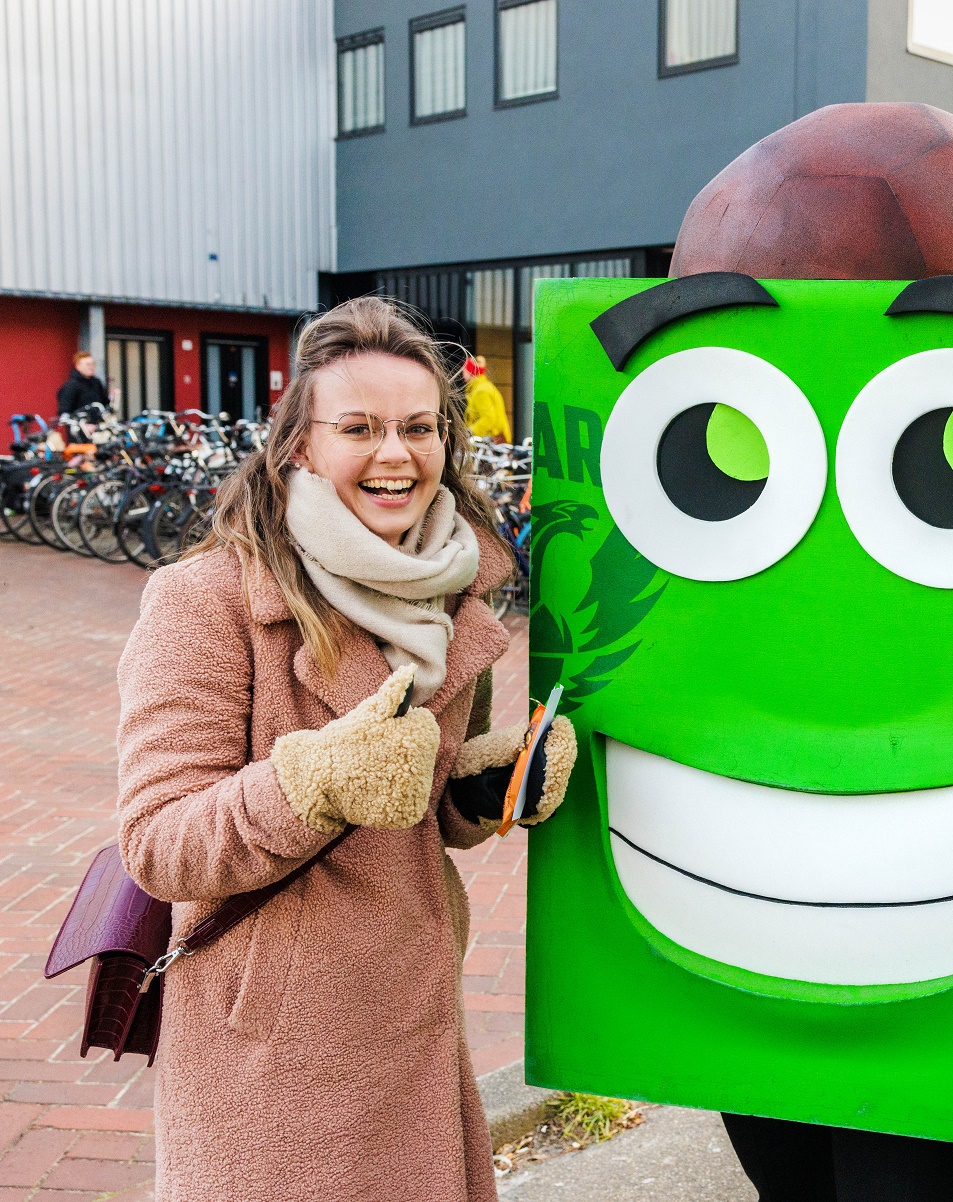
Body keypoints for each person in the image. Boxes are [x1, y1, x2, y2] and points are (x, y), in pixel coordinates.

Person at [113, 297, 577, 1202]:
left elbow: (417, 809)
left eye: (419, 428)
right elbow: (160, 840)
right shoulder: (205, 601)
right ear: (300, 446)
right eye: (359, 428)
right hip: (272, 1047)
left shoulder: (451, 605)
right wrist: (317, 780)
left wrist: (483, 789)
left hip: (410, 1013)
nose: (395, 455)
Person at [462, 355, 513, 442]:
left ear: (471, 371)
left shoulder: (481, 391)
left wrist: (469, 432)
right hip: (493, 441)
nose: (463, 373)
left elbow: (488, 419)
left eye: (465, 370)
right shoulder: (483, 387)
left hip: (491, 443)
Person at [56, 350, 109, 418]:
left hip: (99, 425)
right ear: (78, 366)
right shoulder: (71, 386)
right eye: (88, 365)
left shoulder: (97, 383)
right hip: (80, 426)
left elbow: (104, 403)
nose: (92, 367)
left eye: (93, 364)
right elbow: (64, 411)